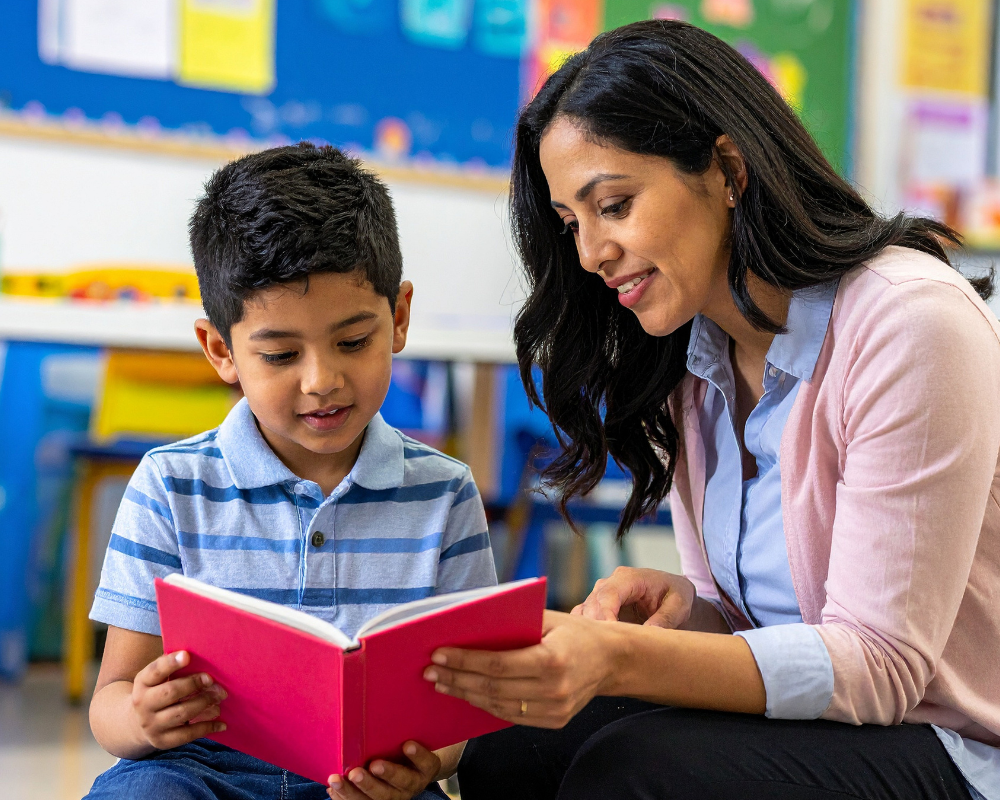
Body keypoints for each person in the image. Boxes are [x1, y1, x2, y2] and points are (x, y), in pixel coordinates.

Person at [423, 21, 1000, 800]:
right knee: (514, 745)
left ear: (727, 168)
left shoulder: (909, 320)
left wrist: (616, 656)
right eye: (572, 224)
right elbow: (758, 632)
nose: (591, 253)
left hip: (954, 744)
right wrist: (688, 611)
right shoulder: (695, 357)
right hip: (831, 729)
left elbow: (880, 670)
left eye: (615, 205)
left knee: (633, 774)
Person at [85, 143, 496, 800]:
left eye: (353, 342)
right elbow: (110, 700)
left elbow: (459, 714)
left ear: (399, 319)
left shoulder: (444, 494)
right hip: (203, 769)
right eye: (279, 355)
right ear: (221, 351)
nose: (322, 381)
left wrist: (427, 761)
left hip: (363, 779)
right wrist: (141, 716)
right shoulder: (171, 485)